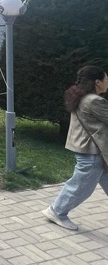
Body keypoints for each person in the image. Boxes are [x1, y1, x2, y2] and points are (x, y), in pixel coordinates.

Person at [42, 66, 108, 231]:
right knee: (80, 186)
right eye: (106, 79)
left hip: (92, 151)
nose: (107, 82)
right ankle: (57, 211)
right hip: (92, 152)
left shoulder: (81, 96)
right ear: (98, 82)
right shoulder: (94, 101)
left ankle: (57, 210)